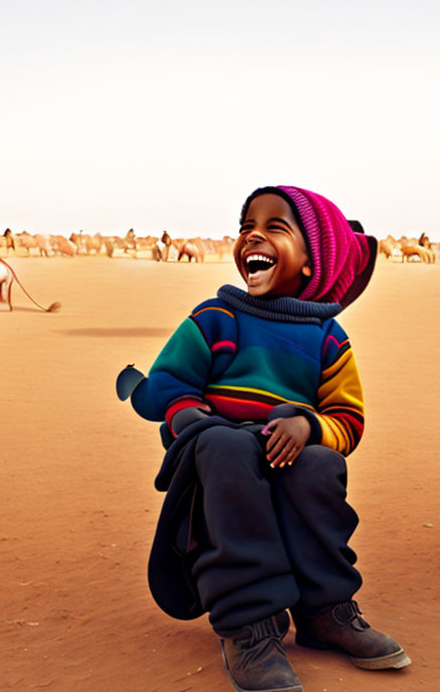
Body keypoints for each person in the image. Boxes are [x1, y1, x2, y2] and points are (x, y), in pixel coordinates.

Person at [116, 185, 409, 692]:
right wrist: (187, 415)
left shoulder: (327, 338)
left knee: (320, 465)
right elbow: (172, 382)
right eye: (247, 226)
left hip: (281, 449)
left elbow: (347, 418)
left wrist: (307, 425)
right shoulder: (217, 317)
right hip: (215, 444)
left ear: (311, 262)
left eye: (275, 227)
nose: (253, 234)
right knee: (226, 447)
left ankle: (325, 610)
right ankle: (249, 624)